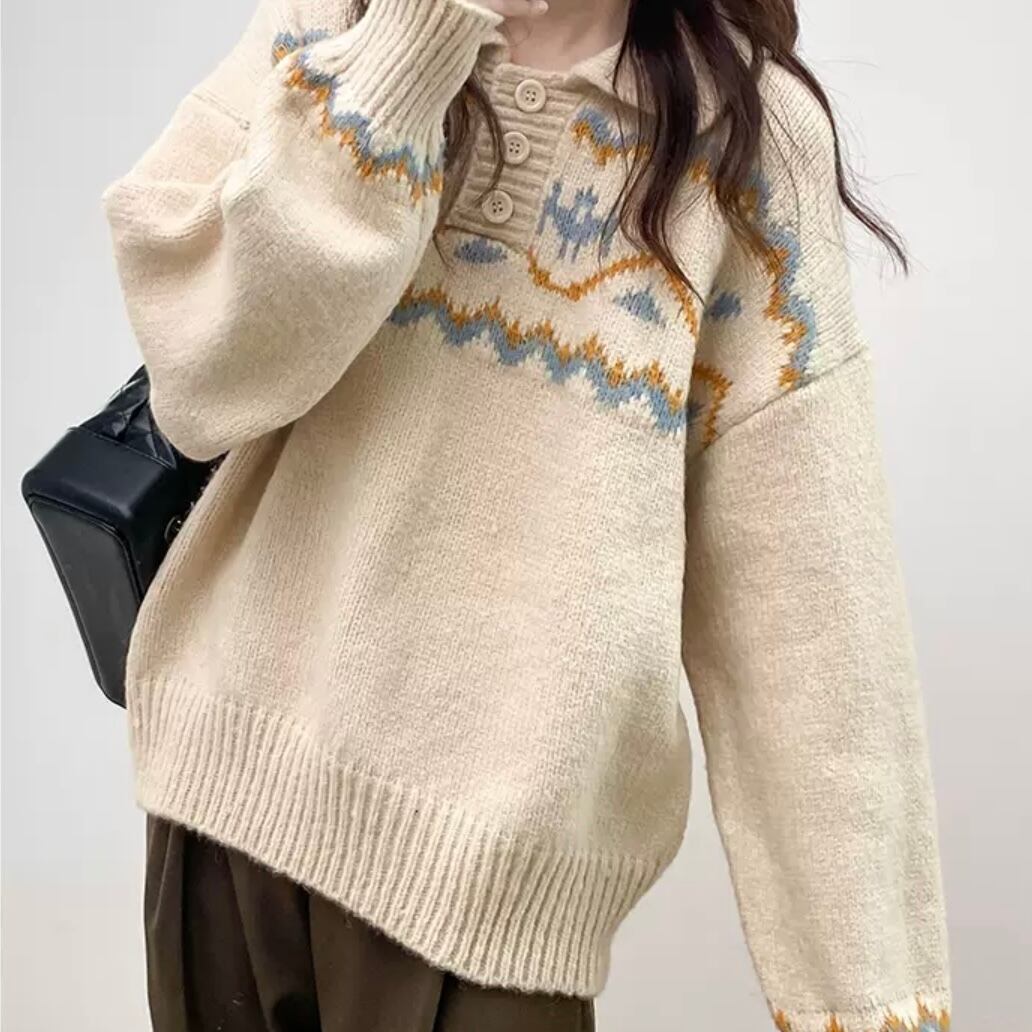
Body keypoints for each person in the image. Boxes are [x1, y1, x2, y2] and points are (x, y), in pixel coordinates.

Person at [102, 0, 953, 1028]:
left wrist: (868, 997)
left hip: (492, 887)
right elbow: (201, 379)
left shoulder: (745, 137)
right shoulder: (337, 21)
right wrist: (411, 47)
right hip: (224, 809)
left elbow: (810, 613)